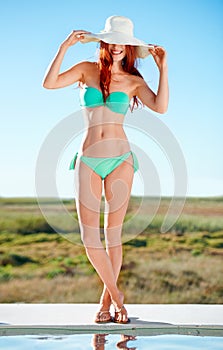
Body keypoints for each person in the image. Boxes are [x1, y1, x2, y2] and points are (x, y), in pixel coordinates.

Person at [43, 15, 168, 324]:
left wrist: (163, 68)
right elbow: (50, 83)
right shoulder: (86, 71)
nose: (116, 47)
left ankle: (106, 302)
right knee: (89, 237)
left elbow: (161, 107)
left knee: (113, 236)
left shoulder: (134, 82)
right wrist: (64, 47)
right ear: (103, 42)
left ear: (129, 47)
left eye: (122, 43)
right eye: (111, 41)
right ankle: (118, 296)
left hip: (120, 159)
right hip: (87, 158)